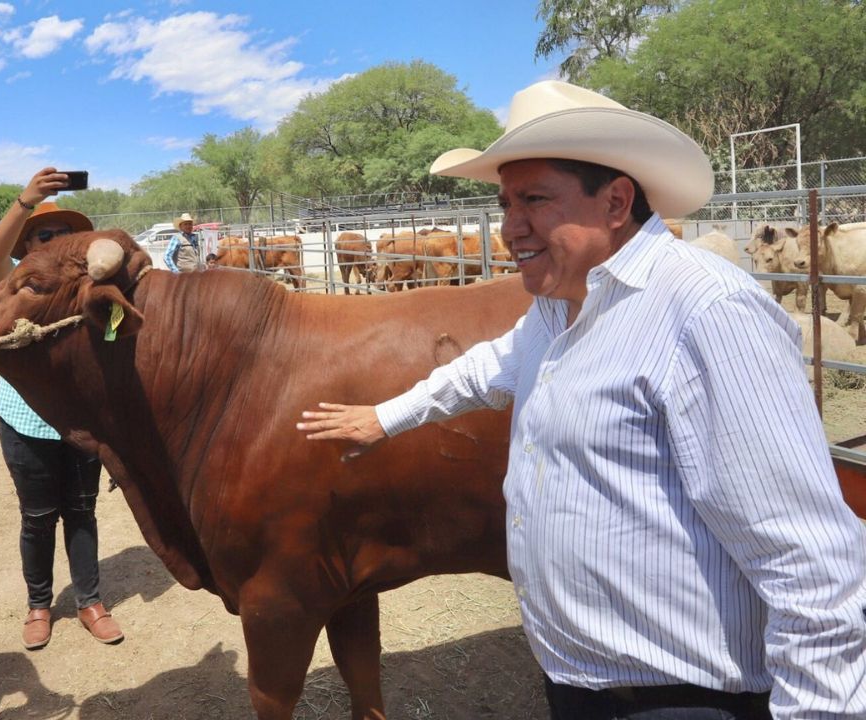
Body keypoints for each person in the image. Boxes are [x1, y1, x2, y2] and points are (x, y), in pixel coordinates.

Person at [298, 81, 866, 720]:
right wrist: (383, 417)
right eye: (506, 202)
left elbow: (807, 559)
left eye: (534, 200)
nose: (510, 228)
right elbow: (487, 369)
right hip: (580, 686)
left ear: (617, 201)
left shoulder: (706, 311)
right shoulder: (557, 304)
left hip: (682, 701)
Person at [0, 167, 122, 649]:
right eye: (45, 234)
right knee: (38, 517)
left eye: (67, 234)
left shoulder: (86, 290)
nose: (57, 241)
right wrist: (25, 200)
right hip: (26, 421)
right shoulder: (14, 282)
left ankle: (89, 601)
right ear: (28, 244)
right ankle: (39, 605)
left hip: (81, 421)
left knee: (82, 511)